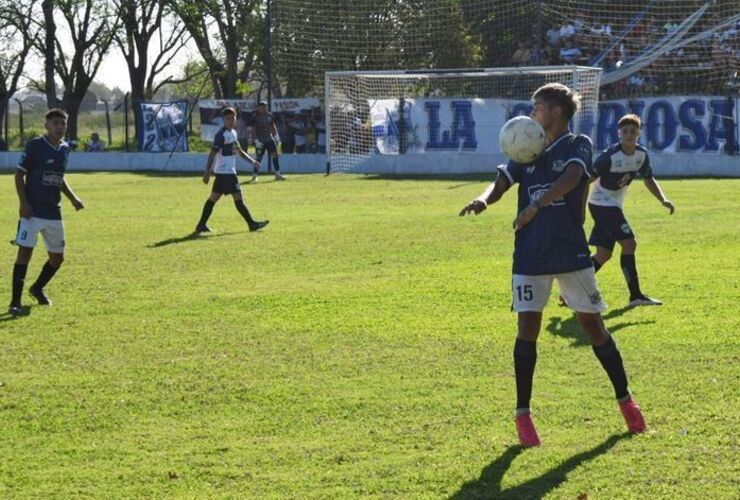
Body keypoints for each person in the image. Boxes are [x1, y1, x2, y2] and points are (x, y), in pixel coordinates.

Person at [459, 83, 646, 447]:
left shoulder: (579, 144)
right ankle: (523, 416)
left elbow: (573, 178)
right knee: (527, 328)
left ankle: (626, 402)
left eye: (538, 106)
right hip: (529, 252)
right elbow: (502, 180)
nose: (532, 112)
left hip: (570, 251)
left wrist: (537, 202)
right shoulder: (526, 143)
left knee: (593, 327)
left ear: (556, 111)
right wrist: (483, 200)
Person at [587, 113, 675, 307]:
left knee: (603, 254)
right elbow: (588, 179)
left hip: (613, 205)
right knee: (629, 243)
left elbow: (648, 179)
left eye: (633, 131)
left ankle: (572, 291)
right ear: (619, 133)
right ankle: (635, 296)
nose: (629, 134)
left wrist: (663, 199)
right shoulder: (610, 156)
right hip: (601, 204)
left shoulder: (641, 155)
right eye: (625, 131)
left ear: (639, 133)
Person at [8, 108, 85, 315]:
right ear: (47, 125)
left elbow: (59, 177)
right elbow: (18, 175)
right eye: (56, 123)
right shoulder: (35, 146)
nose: (60, 127)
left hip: (53, 212)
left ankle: (37, 287)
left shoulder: (65, 148)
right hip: (32, 211)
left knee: (57, 258)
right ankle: (15, 301)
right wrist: (23, 203)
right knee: (25, 253)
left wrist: (73, 199)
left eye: (63, 123)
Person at [195, 107, 269, 234]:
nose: (230, 120)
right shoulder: (221, 135)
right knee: (238, 199)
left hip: (226, 173)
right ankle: (252, 224)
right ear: (223, 120)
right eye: (227, 118)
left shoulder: (233, 133)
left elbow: (240, 152)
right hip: (226, 173)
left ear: (235, 119)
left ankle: (201, 225)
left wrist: (253, 161)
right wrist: (207, 173)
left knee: (213, 199)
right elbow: (212, 154)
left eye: (232, 118)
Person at [251, 101, 286, 182]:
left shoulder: (270, 115)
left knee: (275, 155)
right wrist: (256, 140)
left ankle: (278, 174)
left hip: (269, 139)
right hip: (260, 140)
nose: (264, 108)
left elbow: (272, 126)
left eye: (265, 106)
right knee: (259, 157)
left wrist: (276, 136)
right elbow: (254, 129)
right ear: (258, 108)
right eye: (262, 107)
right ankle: (254, 175)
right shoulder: (255, 117)